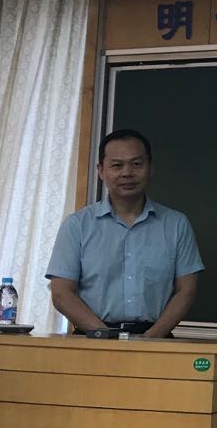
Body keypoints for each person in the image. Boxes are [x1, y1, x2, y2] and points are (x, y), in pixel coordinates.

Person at [45, 128, 203, 337]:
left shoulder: (176, 224)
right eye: (117, 165)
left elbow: (186, 290)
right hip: (92, 339)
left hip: (156, 340)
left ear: (150, 168)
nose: (127, 173)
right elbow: (61, 293)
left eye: (136, 164)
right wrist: (105, 336)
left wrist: (150, 340)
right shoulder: (77, 225)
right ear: (101, 171)